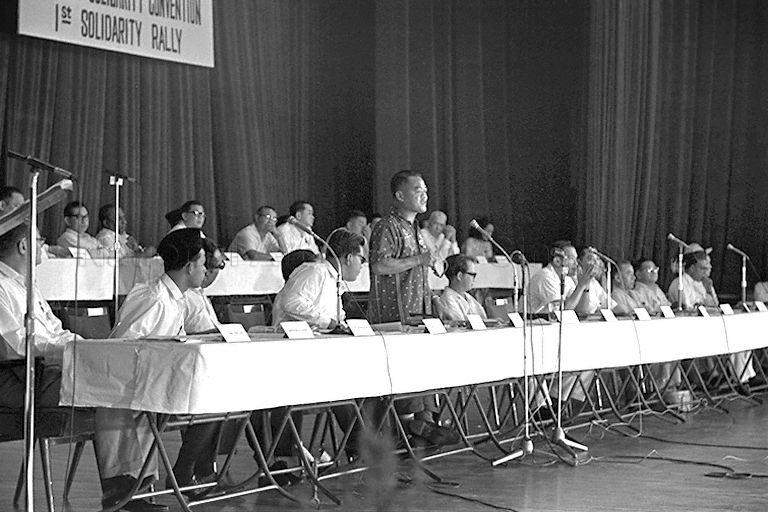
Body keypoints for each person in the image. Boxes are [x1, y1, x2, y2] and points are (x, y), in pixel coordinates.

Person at [98, 228, 208, 511]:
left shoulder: (178, 298)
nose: (206, 269)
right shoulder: (153, 297)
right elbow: (122, 346)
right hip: (130, 386)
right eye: (203, 262)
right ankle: (128, 492)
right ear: (189, 265)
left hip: (157, 380)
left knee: (215, 397)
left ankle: (188, 473)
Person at [169, 237, 227, 493]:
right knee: (213, 400)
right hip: (185, 366)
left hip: (201, 362)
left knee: (225, 397)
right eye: (210, 268)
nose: (208, 273)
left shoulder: (198, 293)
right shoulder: (185, 296)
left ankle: (204, 469)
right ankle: (188, 468)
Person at [368, 170, 434, 324]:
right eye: (418, 191)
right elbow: (379, 265)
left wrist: (433, 298)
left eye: (426, 191)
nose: (425, 196)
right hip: (395, 317)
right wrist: (419, 259)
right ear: (400, 196)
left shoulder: (416, 228)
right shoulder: (387, 226)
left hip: (419, 312)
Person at [272, 229, 366, 331]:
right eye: (362, 260)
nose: (362, 265)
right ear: (349, 258)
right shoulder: (316, 271)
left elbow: (335, 319)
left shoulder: (334, 278)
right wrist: (328, 322)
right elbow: (291, 303)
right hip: (291, 340)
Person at [529, 241, 593, 315]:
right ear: (557, 261)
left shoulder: (568, 279)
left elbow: (581, 310)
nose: (576, 263)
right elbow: (562, 312)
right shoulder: (545, 277)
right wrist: (580, 286)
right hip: (533, 323)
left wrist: (585, 286)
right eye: (572, 259)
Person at [436, 254, 487, 322]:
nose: (474, 279)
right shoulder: (448, 299)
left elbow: (484, 319)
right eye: (472, 275)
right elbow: (460, 325)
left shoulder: (467, 296)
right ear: (459, 276)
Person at [420, 210, 459, 276]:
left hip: (443, 273)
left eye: (441, 225)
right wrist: (447, 239)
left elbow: (455, 256)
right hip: (427, 272)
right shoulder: (422, 234)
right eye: (435, 223)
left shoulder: (442, 236)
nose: (438, 228)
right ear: (429, 223)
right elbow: (438, 257)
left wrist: (453, 240)